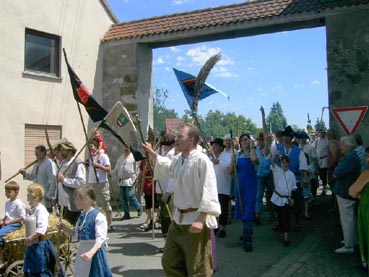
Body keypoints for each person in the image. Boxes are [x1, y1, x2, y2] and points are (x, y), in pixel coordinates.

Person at [142, 123, 221, 276]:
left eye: (180, 136)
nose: (176, 139)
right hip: (178, 220)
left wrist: (201, 218)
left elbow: (210, 190)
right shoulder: (179, 159)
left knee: (198, 268)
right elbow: (168, 168)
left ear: (191, 140)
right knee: (170, 262)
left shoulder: (202, 161)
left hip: (195, 220)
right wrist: (152, 152)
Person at [59, 186, 112, 277]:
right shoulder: (82, 216)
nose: (75, 201)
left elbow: (100, 238)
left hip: (94, 252)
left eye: (77, 199)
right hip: (83, 250)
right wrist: (64, 227)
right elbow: (76, 233)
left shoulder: (98, 216)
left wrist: (91, 252)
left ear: (86, 199)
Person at [228, 133, 258, 252]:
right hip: (240, 186)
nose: (244, 142)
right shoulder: (237, 155)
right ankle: (247, 230)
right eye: (242, 140)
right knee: (242, 210)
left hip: (251, 186)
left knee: (249, 209)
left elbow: (254, 160)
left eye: (246, 140)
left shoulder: (255, 152)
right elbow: (230, 171)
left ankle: (247, 240)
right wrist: (232, 161)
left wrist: (251, 147)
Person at [332, 135, 361, 254]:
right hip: (347, 190)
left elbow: (337, 172)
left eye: (342, 144)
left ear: (349, 145)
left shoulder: (350, 158)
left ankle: (349, 245)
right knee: (350, 218)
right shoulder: (351, 156)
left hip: (345, 190)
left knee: (346, 219)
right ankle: (351, 240)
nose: (340, 146)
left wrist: (337, 169)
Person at [277, 126, 308, 232]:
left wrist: (304, 178)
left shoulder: (298, 151)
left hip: (295, 179)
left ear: (292, 137)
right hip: (281, 181)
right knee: (281, 203)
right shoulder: (278, 149)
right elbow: (274, 164)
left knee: (296, 202)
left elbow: (304, 166)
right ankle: (283, 224)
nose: (285, 138)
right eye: (284, 136)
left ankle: (296, 221)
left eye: (288, 136)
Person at [23, 183, 59, 276]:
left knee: (40, 268)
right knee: (30, 268)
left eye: (29, 193)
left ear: (35, 196)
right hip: (32, 243)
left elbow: (41, 228)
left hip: (40, 244)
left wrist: (31, 237)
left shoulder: (41, 210)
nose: (27, 195)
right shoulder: (33, 209)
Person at [56, 139, 86, 225]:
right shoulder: (63, 163)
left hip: (72, 204)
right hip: (62, 204)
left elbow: (81, 182)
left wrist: (64, 180)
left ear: (69, 151)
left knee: (69, 228)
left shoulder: (77, 163)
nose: (61, 152)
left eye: (63, 150)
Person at [19, 145, 57, 212]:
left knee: (45, 213)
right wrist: (24, 174)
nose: (35, 154)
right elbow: (33, 176)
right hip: (36, 195)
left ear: (43, 152)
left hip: (45, 195)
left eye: (37, 152)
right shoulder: (36, 164)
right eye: (35, 152)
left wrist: (49, 195)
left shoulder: (49, 164)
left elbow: (53, 181)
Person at [349, 147, 369, 271]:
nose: (366, 159)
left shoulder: (366, 174)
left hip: (366, 209)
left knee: (365, 234)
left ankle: (366, 261)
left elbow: (352, 191)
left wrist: (360, 195)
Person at [87, 139, 113, 232]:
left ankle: (109, 224)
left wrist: (98, 166)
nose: (90, 149)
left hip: (101, 183)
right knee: (94, 204)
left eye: (92, 146)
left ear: (96, 147)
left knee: (105, 204)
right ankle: (98, 224)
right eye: (89, 147)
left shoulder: (103, 156)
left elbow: (109, 169)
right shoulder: (90, 158)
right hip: (92, 183)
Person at [271, 154, 297, 246]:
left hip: (286, 199)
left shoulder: (291, 175)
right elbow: (272, 162)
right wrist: (275, 154)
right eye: (283, 163)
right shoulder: (277, 171)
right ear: (281, 163)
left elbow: (293, 188)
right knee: (280, 217)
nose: (284, 165)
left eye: (286, 163)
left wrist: (292, 199)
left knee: (286, 217)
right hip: (278, 198)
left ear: (288, 163)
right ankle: (282, 231)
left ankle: (286, 236)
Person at [111, 144, 141, 220]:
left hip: (130, 179)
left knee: (130, 195)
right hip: (122, 180)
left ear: (130, 148)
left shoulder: (133, 157)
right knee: (123, 197)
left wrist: (136, 178)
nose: (125, 148)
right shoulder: (120, 159)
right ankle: (126, 213)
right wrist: (110, 174)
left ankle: (138, 207)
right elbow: (116, 169)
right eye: (124, 147)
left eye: (127, 147)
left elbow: (137, 169)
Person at [209, 138, 232, 238]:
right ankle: (215, 226)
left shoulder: (227, 156)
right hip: (212, 188)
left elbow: (228, 167)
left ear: (220, 147)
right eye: (212, 145)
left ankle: (223, 227)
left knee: (223, 209)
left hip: (223, 187)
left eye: (215, 145)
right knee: (213, 208)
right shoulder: (210, 156)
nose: (213, 147)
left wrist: (218, 162)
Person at [0, 181, 26, 265]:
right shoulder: (7, 203)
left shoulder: (18, 204)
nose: (7, 194)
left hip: (15, 224)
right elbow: (8, 214)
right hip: (8, 223)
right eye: (6, 191)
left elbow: (22, 217)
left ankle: (1, 257)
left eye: (9, 192)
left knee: (0, 234)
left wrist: (9, 222)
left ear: (16, 192)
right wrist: (3, 220)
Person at [315, 129, 329, 195]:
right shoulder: (317, 141)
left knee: (324, 174)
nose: (322, 134)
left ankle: (324, 188)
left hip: (324, 160)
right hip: (319, 160)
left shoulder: (327, 141)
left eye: (323, 132)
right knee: (320, 174)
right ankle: (324, 186)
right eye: (321, 132)